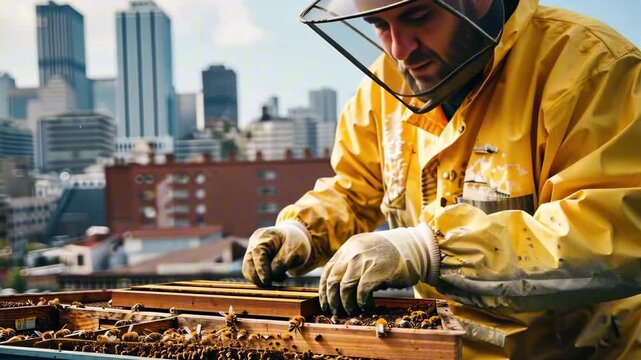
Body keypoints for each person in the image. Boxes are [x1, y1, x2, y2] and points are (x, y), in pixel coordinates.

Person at [243, 0, 641, 358]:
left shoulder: (594, 66)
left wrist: (430, 249)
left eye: (417, 16)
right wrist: (302, 231)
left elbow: (615, 232)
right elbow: (353, 186)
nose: (399, 50)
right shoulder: (388, 85)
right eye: (378, 25)